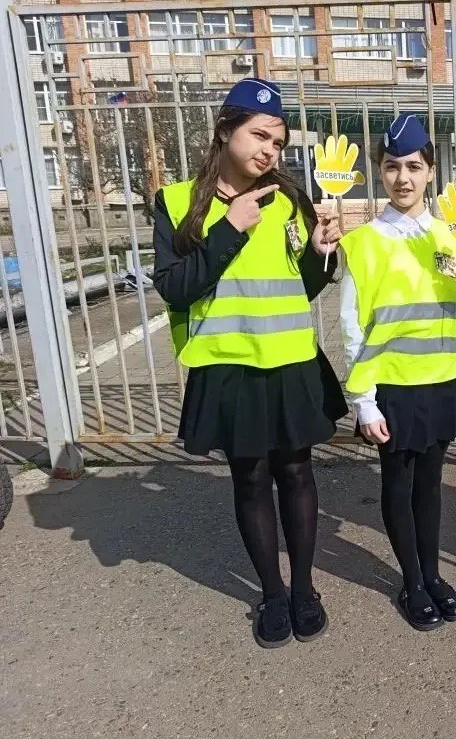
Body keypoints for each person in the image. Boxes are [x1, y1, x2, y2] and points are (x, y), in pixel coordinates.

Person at [152, 78, 347, 649]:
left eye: (278, 142)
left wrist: (322, 255)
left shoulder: (288, 198)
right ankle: (272, 594)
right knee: (251, 479)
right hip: (228, 364)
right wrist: (229, 229)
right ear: (224, 131)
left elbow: (302, 286)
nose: (270, 150)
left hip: (290, 361)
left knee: (298, 473)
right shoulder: (176, 202)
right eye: (260, 136)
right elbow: (174, 287)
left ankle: (305, 589)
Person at [336, 112, 456, 631]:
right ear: (380, 171)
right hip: (392, 387)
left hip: (441, 381)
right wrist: (364, 402)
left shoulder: (449, 237)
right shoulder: (363, 243)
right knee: (398, 484)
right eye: (393, 166)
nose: (403, 178)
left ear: (430, 172)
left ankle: (434, 575)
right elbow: (352, 328)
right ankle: (412, 582)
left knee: (432, 485)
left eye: (414, 167)